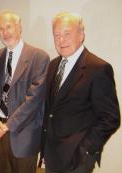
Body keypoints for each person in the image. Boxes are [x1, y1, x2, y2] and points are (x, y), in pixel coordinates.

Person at [41, 12, 120, 173]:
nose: (61, 40)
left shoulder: (98, 68)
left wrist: (86, 150)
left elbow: (110, 118)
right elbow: (51, 111)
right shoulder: (52, 65)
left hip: (78, 160)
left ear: (82, 34)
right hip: (51, 156)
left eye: (67, 33)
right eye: (57, 35)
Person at [0, 11, 50, 173]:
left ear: (19, 27)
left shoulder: (39, 57)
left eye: (9, 27)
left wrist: (8, 125)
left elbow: (34, 99)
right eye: (0, 30)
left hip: (23, 135)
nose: (5, 33)